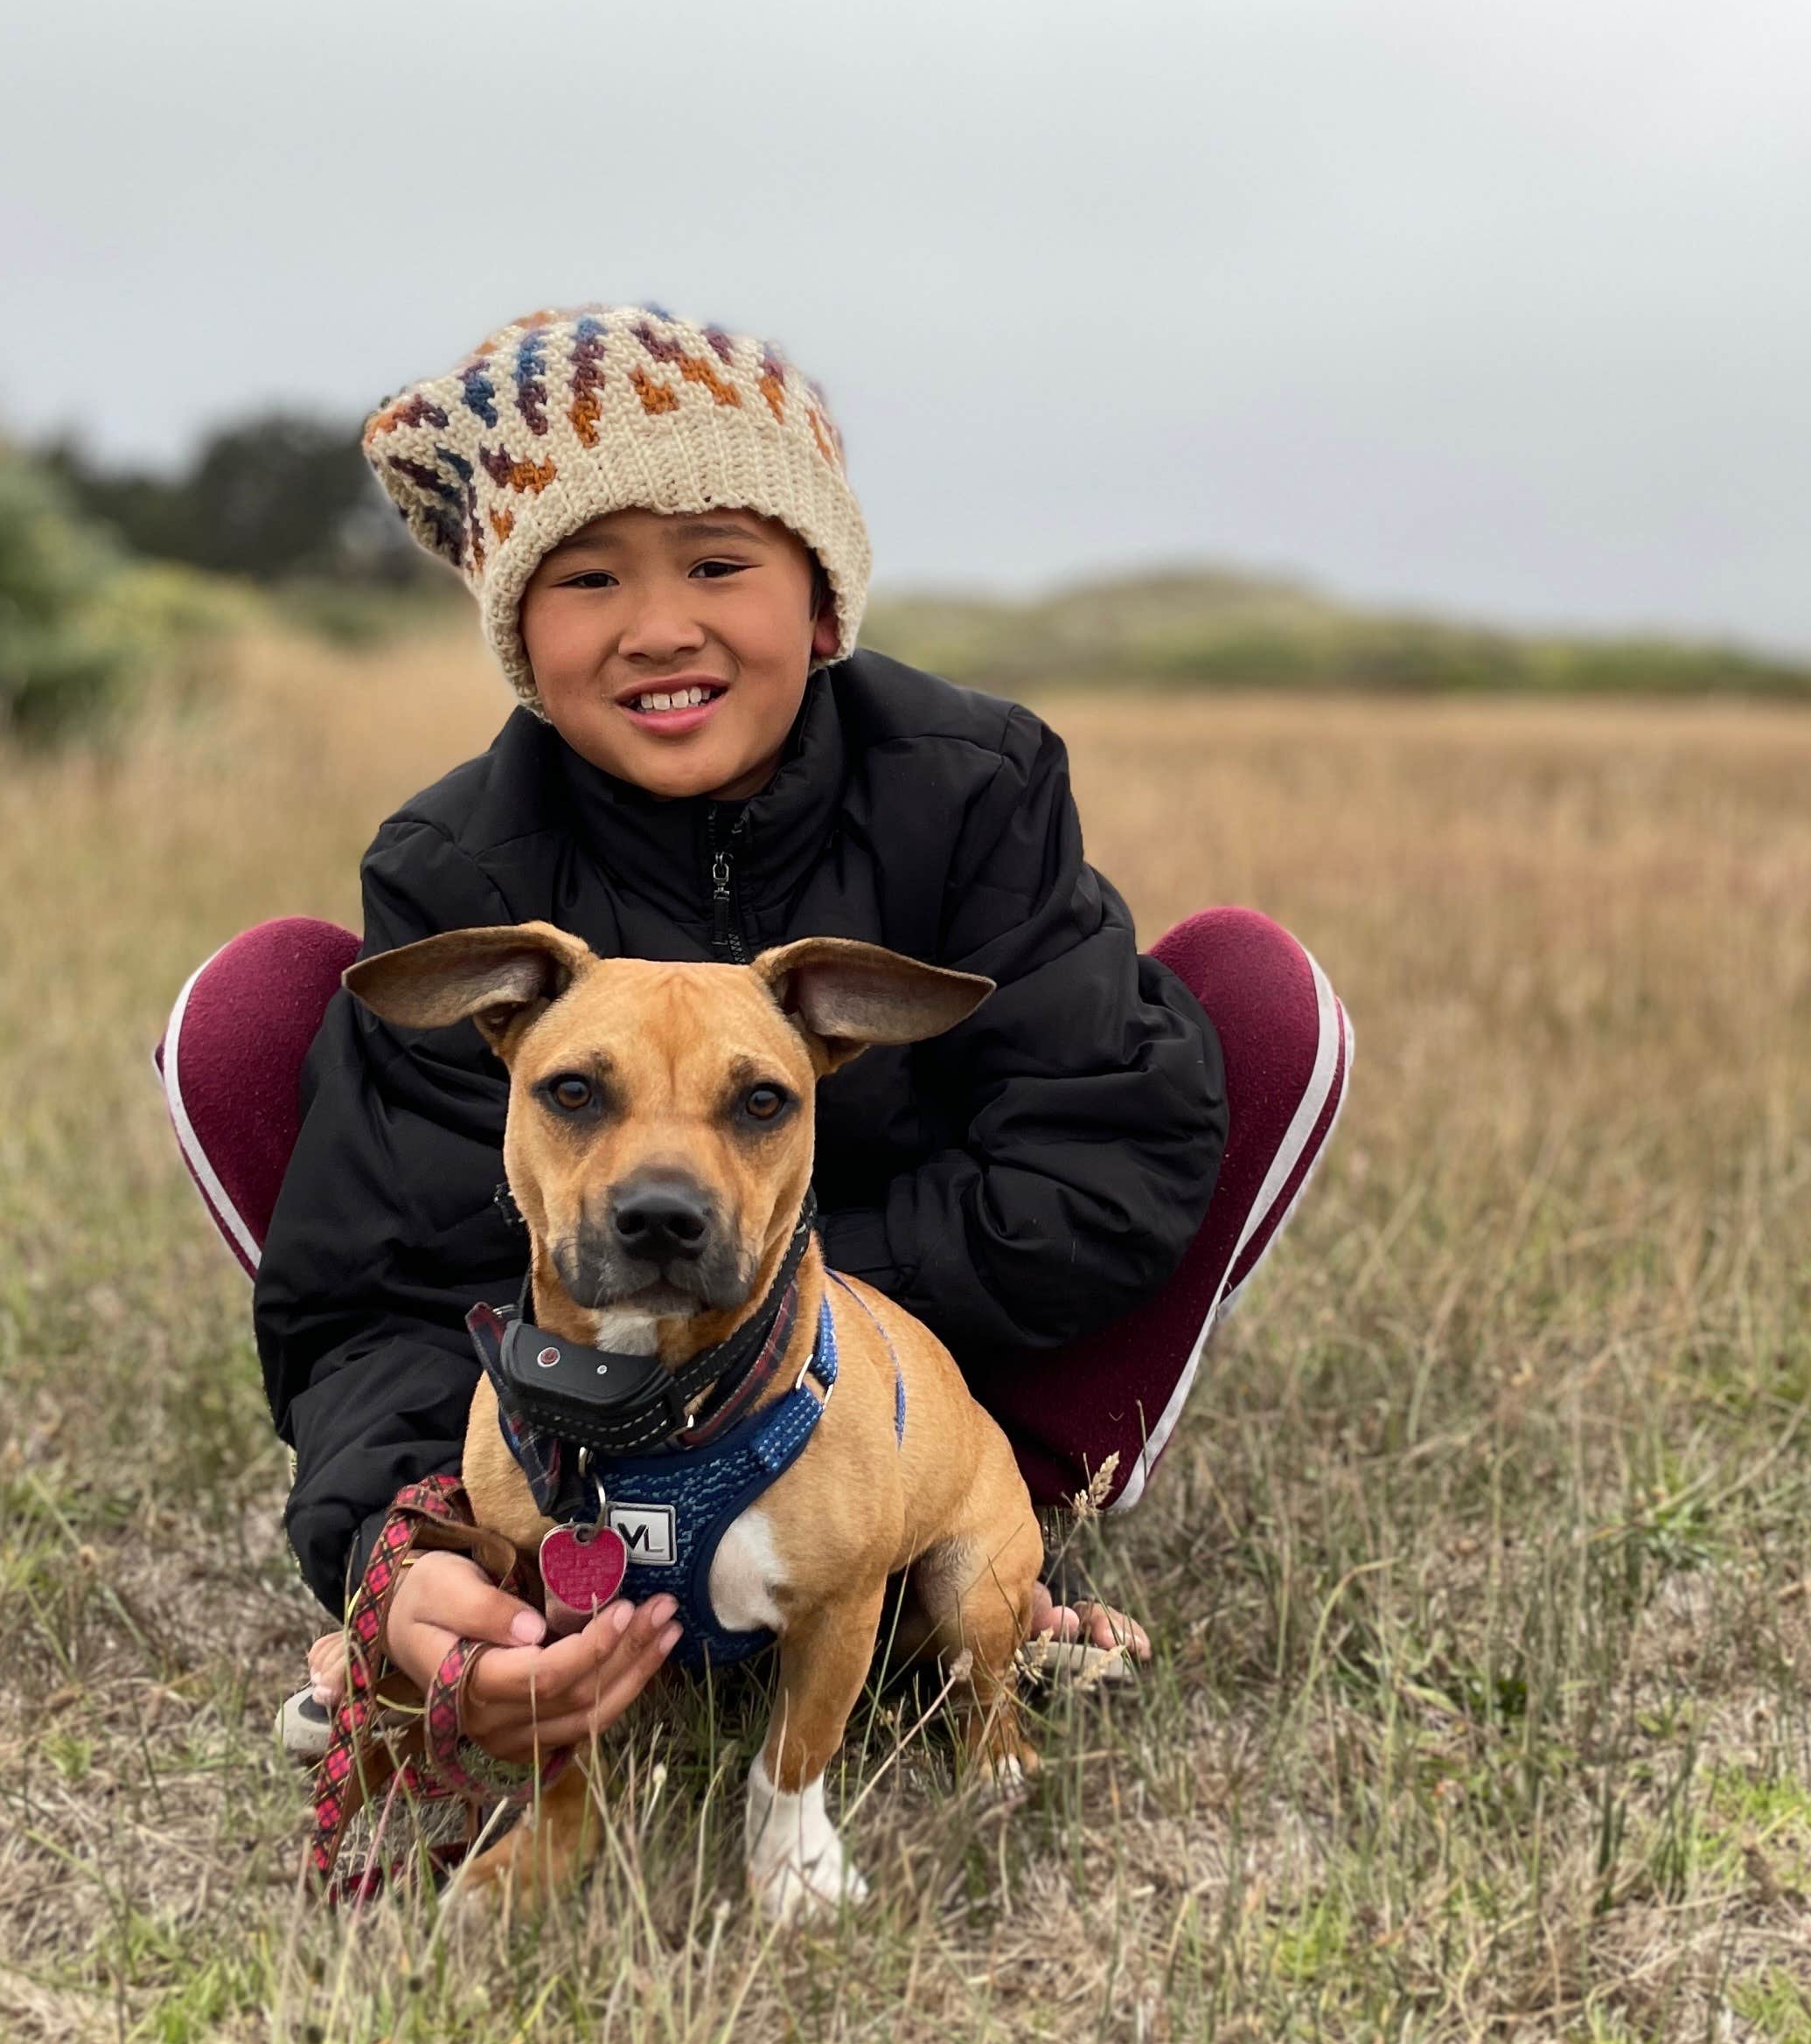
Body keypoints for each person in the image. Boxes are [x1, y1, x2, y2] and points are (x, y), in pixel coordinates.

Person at [156, 307, 1351, 1783]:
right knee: (262, 1004)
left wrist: (775, 1320)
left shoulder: (975, 789)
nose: (661, 628)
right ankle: (487, 1583)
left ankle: (999, 1551)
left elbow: (1096, 1175)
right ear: (522, 637)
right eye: (588, 578)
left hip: (921, 1379)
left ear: (824, 602)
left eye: (720, 562)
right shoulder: (456, 867)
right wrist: (390, 1551)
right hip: (562, 1403)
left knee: (1252, 996)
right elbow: (379, 1279)